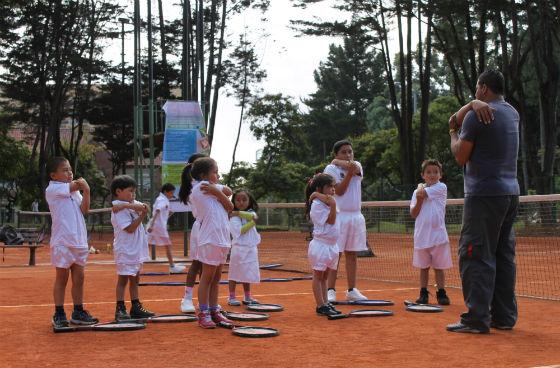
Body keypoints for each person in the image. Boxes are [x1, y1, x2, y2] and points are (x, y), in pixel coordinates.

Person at [447, 69, 520, 334]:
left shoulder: (477, 118)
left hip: (483, 194)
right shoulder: (512, 113)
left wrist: (453, 133)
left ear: (484, 88)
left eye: (477, 88)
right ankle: (504, 316)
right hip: (510, 193)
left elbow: (461, 157)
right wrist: (470, 104)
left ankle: (476, 318)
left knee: (475, 254)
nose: (475, 92)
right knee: (503, 255)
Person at [180, 157, 234, 328]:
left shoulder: (212, 190)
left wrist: (217, 192)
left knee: (216, 278)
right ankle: (203, 312)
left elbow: (229, 206)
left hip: (222, 238)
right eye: (215, 172)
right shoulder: (201, 188)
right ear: (204, 175)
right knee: (207, 277)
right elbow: (229, 191)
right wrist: (217, 190)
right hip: (210, 238)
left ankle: (213, 310)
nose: (217, 175)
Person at [45, 157, 98, 329]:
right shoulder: (53, 189)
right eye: (65, 170)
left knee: (79, 278)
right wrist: (82, 184)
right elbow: (76, 184)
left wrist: (87, 191)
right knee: (62, 278)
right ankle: (59, 313)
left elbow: (85, 210)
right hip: (63, 241)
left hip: (79, 240)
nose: (70, 173)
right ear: (53, 175)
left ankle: (78, 312)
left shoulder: (74, 191)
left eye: (70, 169)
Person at [323, 140, 368, 302]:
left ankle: (351, 290)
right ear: (336, 154)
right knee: (336, 253)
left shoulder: (357, 165)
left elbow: (351, 166)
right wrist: (347, 173)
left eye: (350, 151)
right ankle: (330, 290)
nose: (348, 155)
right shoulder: (330, 169)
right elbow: (339, 191)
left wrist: (343, 165)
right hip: (339, 216)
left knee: (352, 254)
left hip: (356, 216)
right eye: (344, 152)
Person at [110, 175, 155, 321]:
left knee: (135, 278)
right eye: (130, 191)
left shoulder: (127, 204)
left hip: (135, 249)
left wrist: (131, 206)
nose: (133, 194)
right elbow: (129, 228)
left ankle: (136, 306)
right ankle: (120, 308)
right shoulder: (118, 209)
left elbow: (144, 206)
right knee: (123, 279)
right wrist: (141, 216)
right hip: (125, 249)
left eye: (134, 191)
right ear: (118, 191)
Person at [409, 159, 452, 305]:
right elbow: (414, 213)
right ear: (423, 175)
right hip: (421, 235)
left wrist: (421, 188)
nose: (432, 175)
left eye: (435, 172)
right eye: (428, 172)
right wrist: (419, 198)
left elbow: (423, 192)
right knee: (424, 267)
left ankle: (441, 293)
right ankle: (423, 293)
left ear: (441, 174)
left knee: (439, 267)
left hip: (438, 235)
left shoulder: (441, 187)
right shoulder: (416, 193)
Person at [305, 173, 342, 317]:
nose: (333, 189)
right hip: (321, 246)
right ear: (320, 188)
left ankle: (326, 303)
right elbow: (331, 221)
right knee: (318, 275)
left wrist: (318, 195)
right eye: (329, 187)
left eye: (333, 186)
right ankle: (320, 305)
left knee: (325, 277)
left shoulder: (326, 201)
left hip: (332, 245)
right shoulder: (317, 205)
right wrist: (331, 203)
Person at [227, 189, 261, 306]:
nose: (241, 202)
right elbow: (240, 231)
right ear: (234, 201)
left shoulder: (250, 213)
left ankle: (247, 296)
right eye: (238, 200)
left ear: (249, 201)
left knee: (247, 273)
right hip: (238, 249)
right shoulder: (233, 217)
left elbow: (254, 216)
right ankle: (231, 297)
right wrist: (253, 222)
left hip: (251, 248)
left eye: (244, 200)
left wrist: (239, 213)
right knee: (234, 273)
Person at [147, 182, 184, 274]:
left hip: (157, 225)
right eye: (171, 193)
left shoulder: (162, 199)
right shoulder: (162, 200)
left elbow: (162, 212)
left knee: (146, 244)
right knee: (167, 245)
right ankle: (172, 266)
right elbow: (157, 211)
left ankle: (136, 264)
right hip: (158, 227)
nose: (172, 195)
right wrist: (152, 225)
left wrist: (169, 213)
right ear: (165, 192)